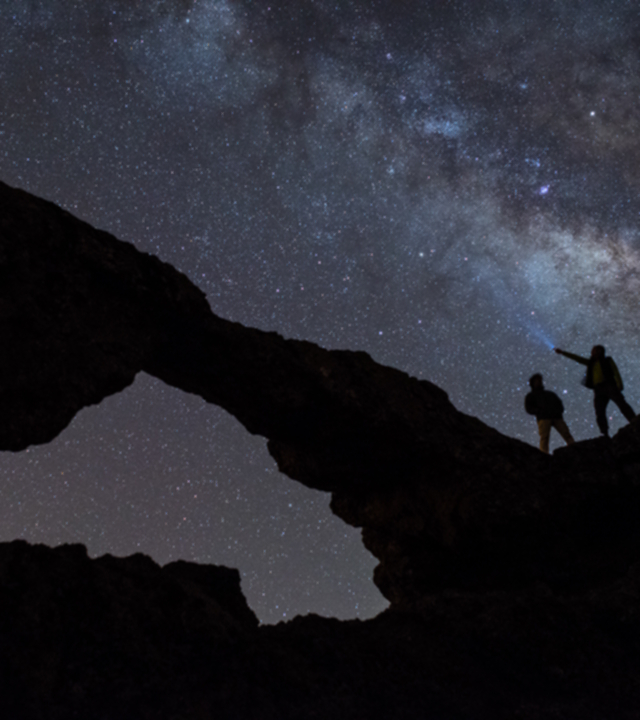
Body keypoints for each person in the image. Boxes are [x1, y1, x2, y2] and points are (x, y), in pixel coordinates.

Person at [554, 345, 636, 437]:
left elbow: (615, 371)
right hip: (598, 389)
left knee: (621, 404)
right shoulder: (591, 363)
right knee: (599, 411)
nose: (595, 352)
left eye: (598, 351)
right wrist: (563, 353)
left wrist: (619, 385)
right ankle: (604, 433)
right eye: (594, 351)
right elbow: (578, 358)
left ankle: (634, 421)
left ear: (601, 352)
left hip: (609, 385)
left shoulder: (607, 360)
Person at [525, 373, 575, 453]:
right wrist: (539, 411)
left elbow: (559, 404)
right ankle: (544, 454)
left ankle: (574, 449)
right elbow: (529, 408)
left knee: (565, 433)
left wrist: (558, 411)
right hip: (544, 417)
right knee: (545, 437)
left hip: (555, 417)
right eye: (537, 380)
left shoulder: (549, 394)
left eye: (539, 380)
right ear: (533, 383)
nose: (539, 382)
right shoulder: (531, 396)